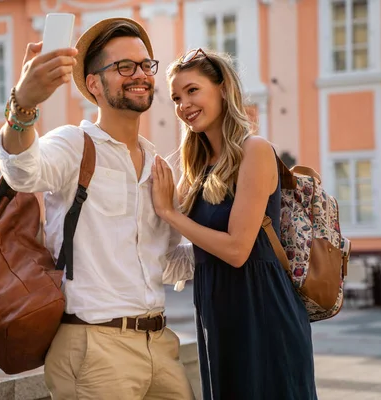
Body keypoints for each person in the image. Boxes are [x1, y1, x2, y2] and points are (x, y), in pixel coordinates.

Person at [0, 17, 195, 400]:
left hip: (159, 343)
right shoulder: (74, 145)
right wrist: (24, 104)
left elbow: (166, 262)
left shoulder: (159, 165)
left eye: (145, 65)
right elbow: (21, 172)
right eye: (124, 66)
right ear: (93, 84)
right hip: (94, 346)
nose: (139, 74)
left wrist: (240, 241)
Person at [151, 48, 318, 399]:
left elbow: (238, 249)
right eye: (177, 98)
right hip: (216, 310)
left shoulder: (254, 150)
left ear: (223, 89)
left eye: (193, 91)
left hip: (262, 310)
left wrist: (172, 214)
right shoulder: (198, 168)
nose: (184, 105)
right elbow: (180, 239)